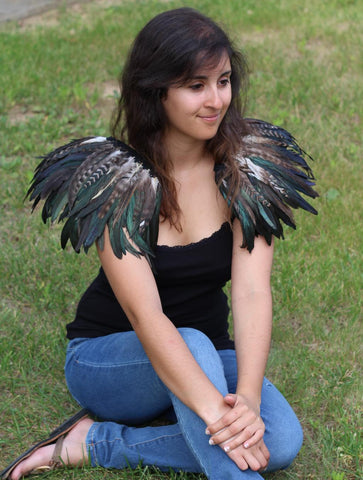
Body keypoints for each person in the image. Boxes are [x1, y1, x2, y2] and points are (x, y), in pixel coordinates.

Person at [1, 7, 318, 480]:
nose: (216, 100)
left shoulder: (246, 169)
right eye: (196, 86)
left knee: (282, 439)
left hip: (209, 348)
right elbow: (146, 317)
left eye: (224, 80)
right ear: (157, 93)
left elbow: (252, 291)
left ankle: (94, 442)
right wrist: (216, 414)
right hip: (110, 360)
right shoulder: (116, 181)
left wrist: (247, 404)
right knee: (193, 351)